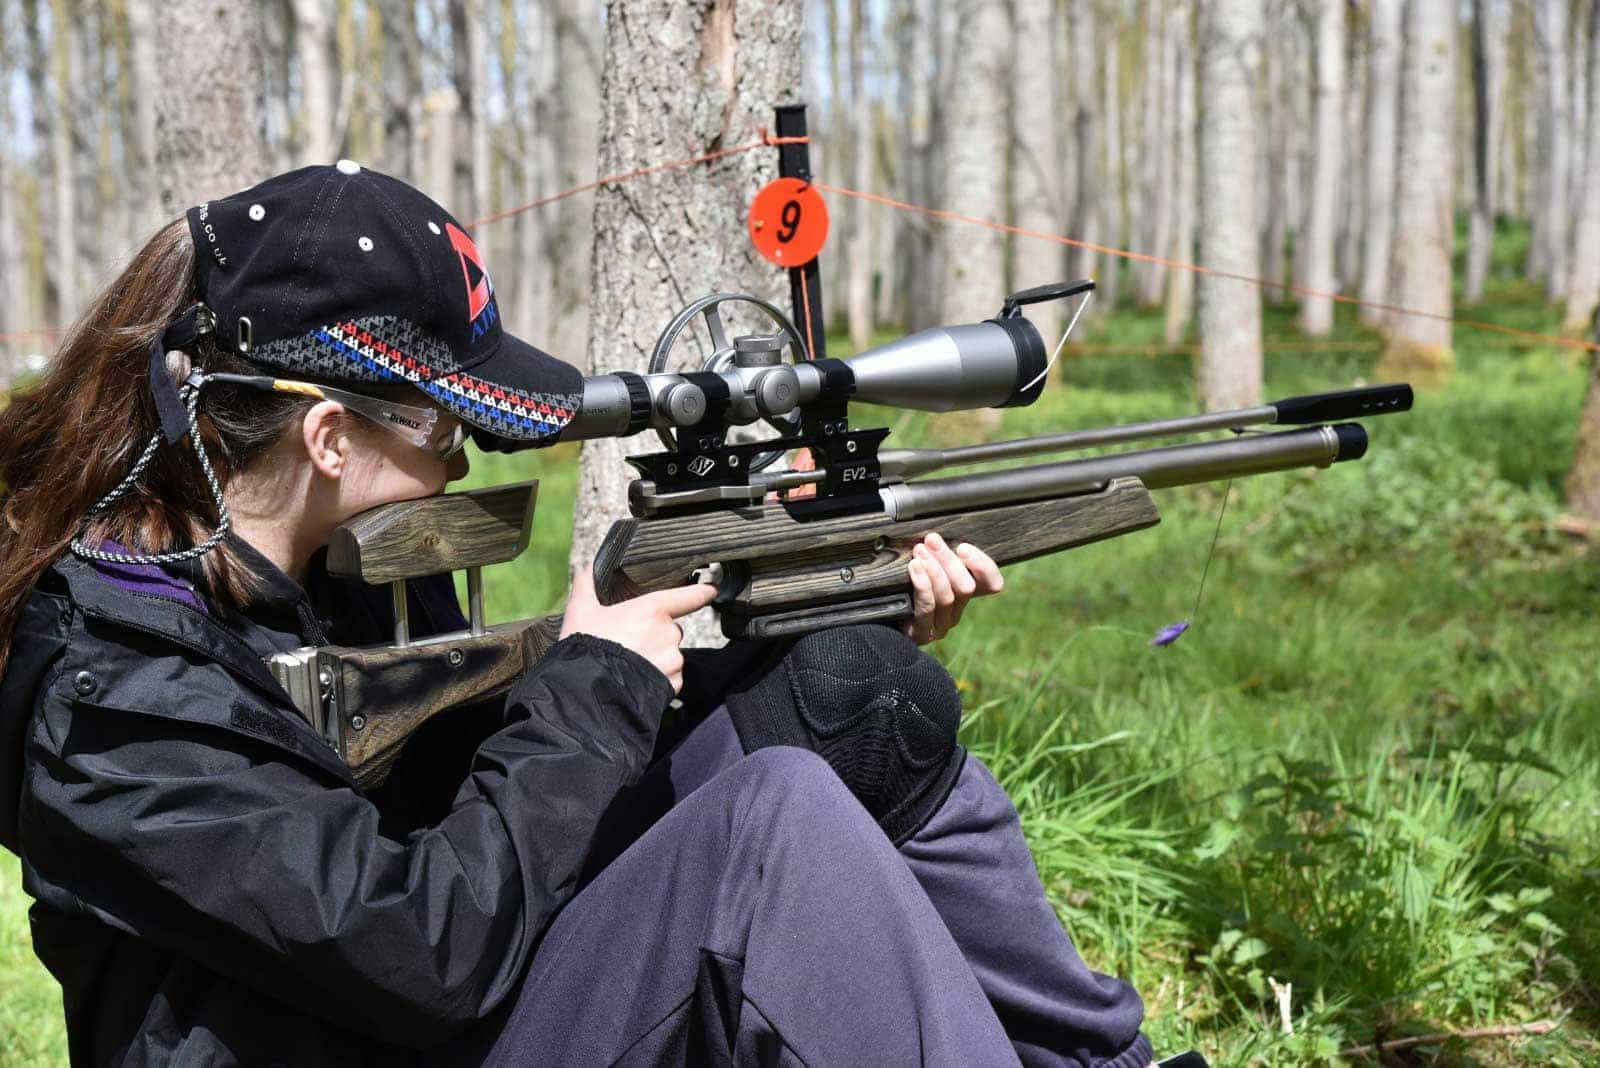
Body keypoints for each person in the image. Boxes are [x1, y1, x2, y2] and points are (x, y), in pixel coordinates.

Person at [0, 163, 1154, 1067]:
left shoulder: (324, 564)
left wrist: (838, 596)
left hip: (438, 996)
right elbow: (426, 952)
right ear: (329, 436)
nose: (459, 464)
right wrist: (596, 676)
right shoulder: (107, 708)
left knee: (854, 702)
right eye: (444, 427)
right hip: (402, 1010)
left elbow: (454, 780)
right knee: (769, 828)